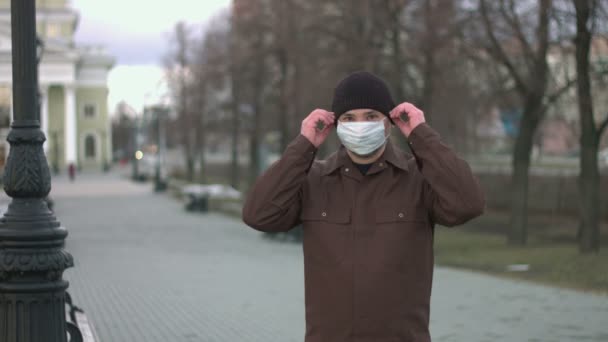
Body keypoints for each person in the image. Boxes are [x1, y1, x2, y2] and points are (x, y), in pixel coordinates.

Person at [242, 71, 485, 342]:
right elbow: (258, 214)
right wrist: (304, 146)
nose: (360, 125)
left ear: (388, 123)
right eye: (349, 118)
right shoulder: (314, 179)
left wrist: (420, 135)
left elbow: (468, 203)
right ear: (337, 125)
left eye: (371, 116)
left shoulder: (418, 178)